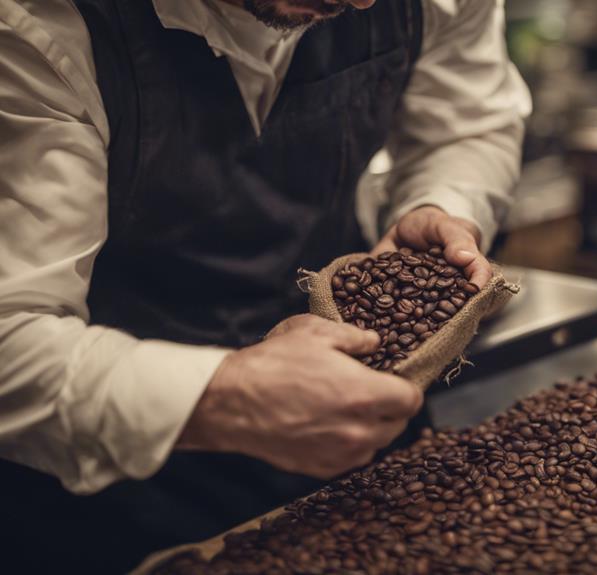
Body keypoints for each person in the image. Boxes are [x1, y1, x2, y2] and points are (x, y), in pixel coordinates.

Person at [0, 0, 530, 571]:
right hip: (111, 493)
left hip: (364, 465)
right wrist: (217, 396)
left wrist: (442, 204)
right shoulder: (37, 27)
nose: (362, 4)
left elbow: (470, 123)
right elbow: (11, 340)